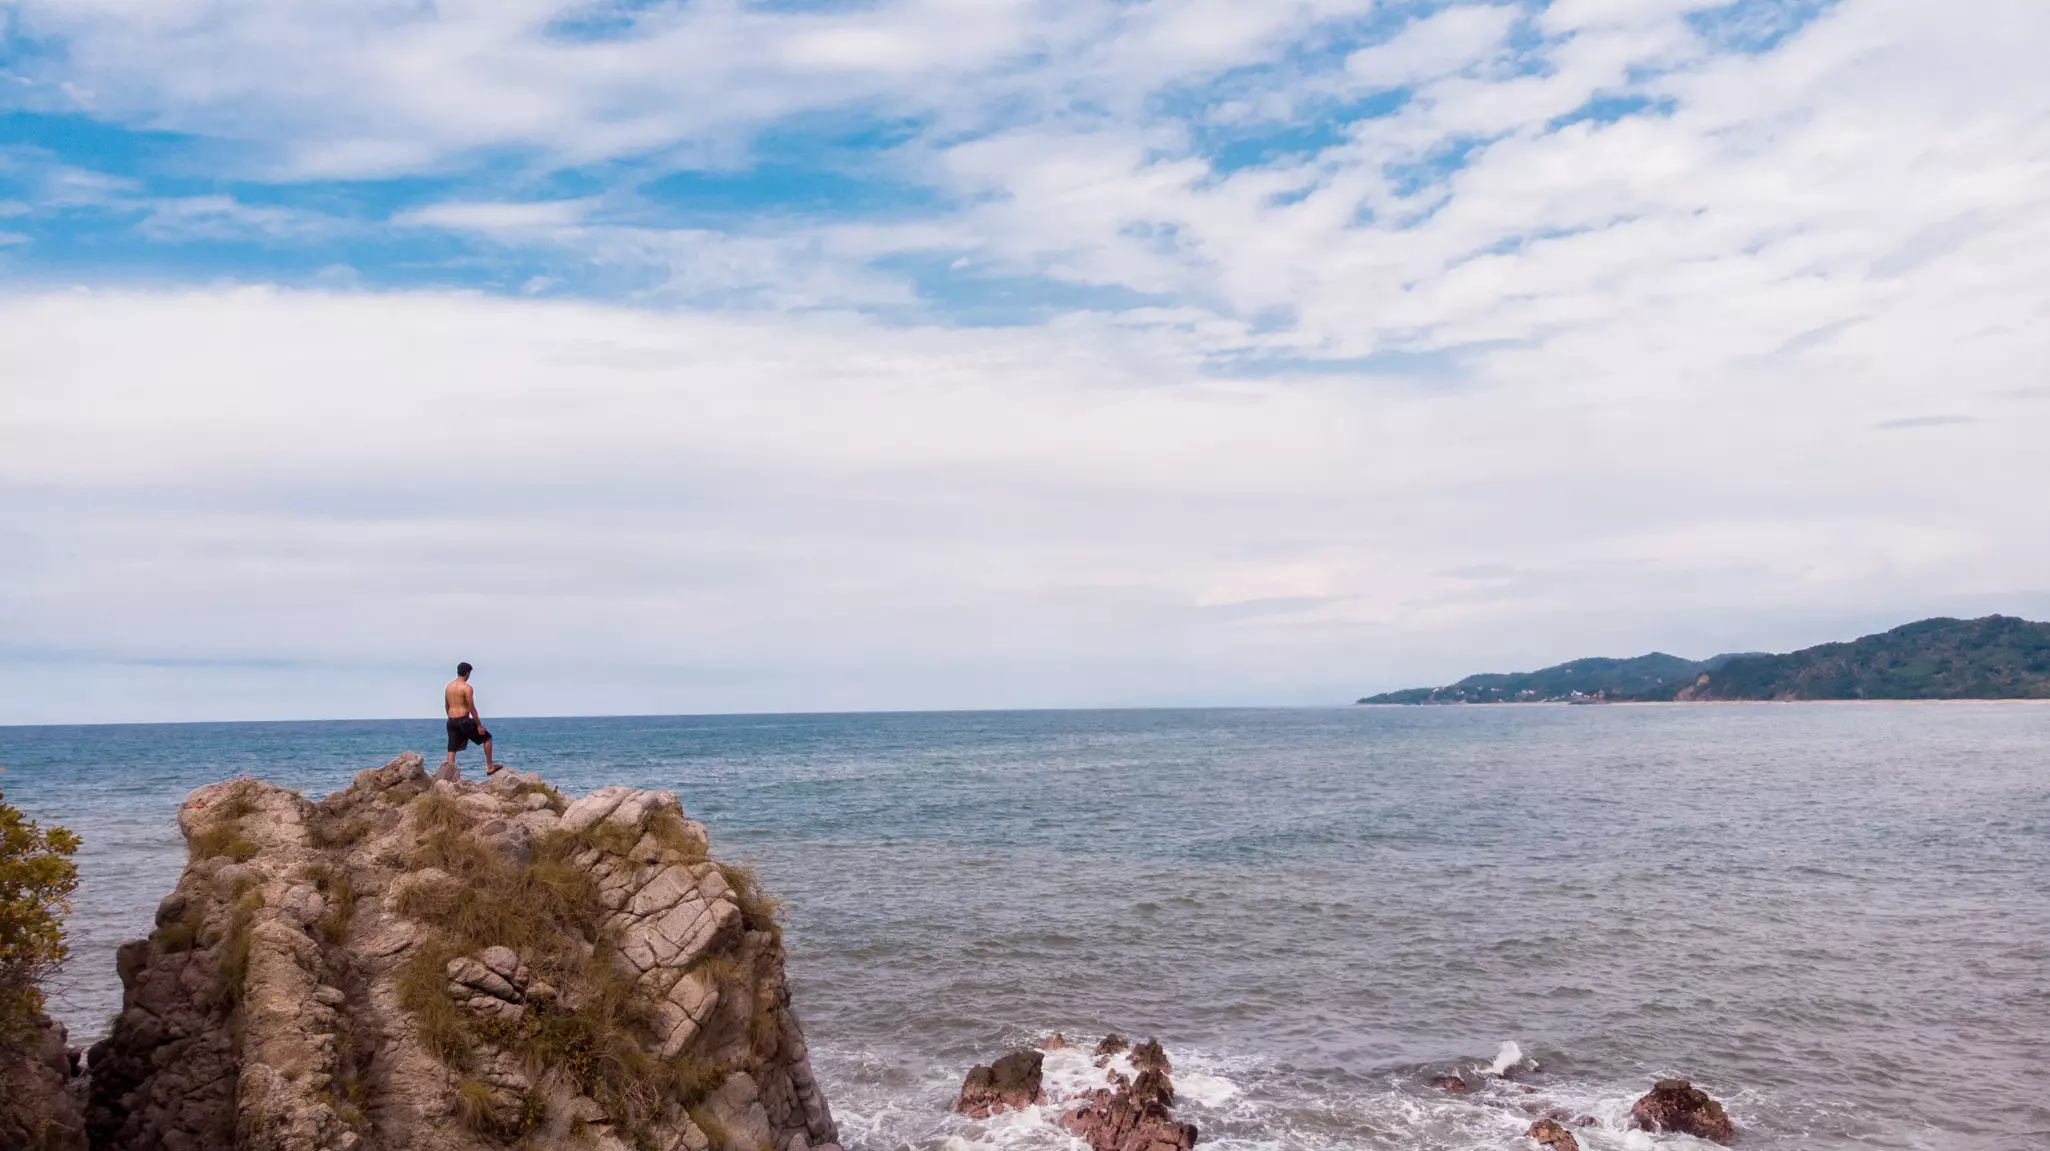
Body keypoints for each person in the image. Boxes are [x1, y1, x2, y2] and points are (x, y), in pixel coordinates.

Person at [441, 662, 500, 776]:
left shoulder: (448, 686)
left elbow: (446, 705)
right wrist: (479, 725)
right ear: (467, 673)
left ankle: (449, 774)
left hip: (451, 720)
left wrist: (451, 718)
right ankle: (490, 767)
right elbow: (471, 708)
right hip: (463, 720)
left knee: (452, 748)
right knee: (487, 738)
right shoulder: (467, 688)